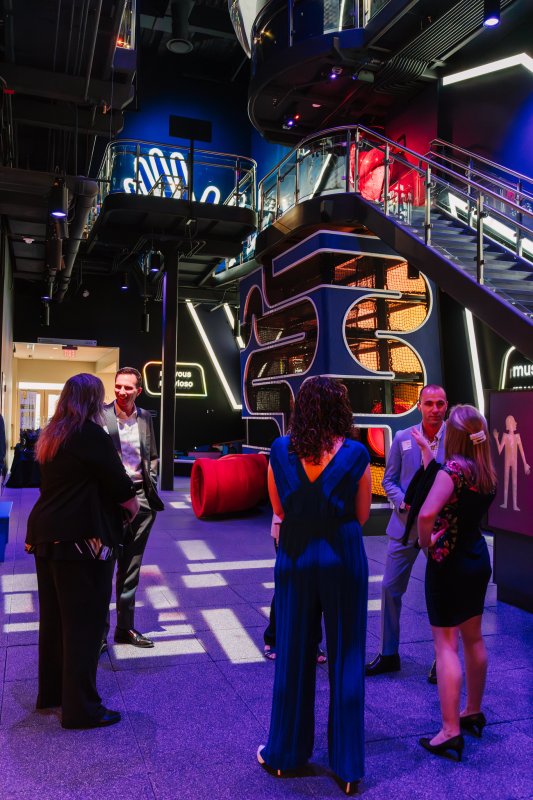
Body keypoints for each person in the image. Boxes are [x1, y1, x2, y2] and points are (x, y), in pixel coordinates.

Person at [257, 377, 372, 794]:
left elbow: (278, 508)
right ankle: (347, 768)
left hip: (295, 558)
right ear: (341, 408)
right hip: (342, 559)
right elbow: (361, 516)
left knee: (292, 656)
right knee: (346, 657)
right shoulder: (357, 454)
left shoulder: (279, 451)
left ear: (300, 407)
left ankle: (285, 755)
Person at [25, 373, 139, 729]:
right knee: (85, 625)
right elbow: (120, 485)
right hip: (82, 541)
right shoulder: (90, 435)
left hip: (46, 536)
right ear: (92, 400)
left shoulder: (51, 435)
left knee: (56, 620)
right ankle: (81, 709)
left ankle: (53, 694)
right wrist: (131, 509)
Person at [415, 405, 496, 761]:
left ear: (456, 435)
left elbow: (427, 514)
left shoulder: (452, 471)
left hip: (448, 563)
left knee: (445, 646)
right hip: (477, 558)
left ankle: (449, 732)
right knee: (474, 638)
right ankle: (472, 712)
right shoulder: (485, 469)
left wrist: (424, 541)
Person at [366, 384, 447, 681]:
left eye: (440, 404)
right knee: (389, 587)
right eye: (429, 404)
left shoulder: (455, 437)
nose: (434, 409)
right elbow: (388, 481)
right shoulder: (403, 438)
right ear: (419, 405)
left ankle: (443, 660)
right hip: (404, 527)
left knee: (441, 593)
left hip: (440, 528)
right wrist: (402, 502)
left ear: (446, 406)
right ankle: (389, 654)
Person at [102, 367, 164, 649]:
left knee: (131, 569)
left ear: (138, 390)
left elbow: (152, 455)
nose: (121, 392)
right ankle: (99, 634)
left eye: (128, 388)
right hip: (110, 501)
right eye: (118, 386)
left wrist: (150, 479)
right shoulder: (100, 415)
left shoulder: (145, 417)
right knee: (104, 567)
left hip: (141, 500)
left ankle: (124, 629)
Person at [263, 512, 327, 664]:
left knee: (314, 588)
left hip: (317, 530)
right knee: (286, 586)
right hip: (288, 529)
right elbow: (279, 498)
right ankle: (273, 638)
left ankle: (313, 642)